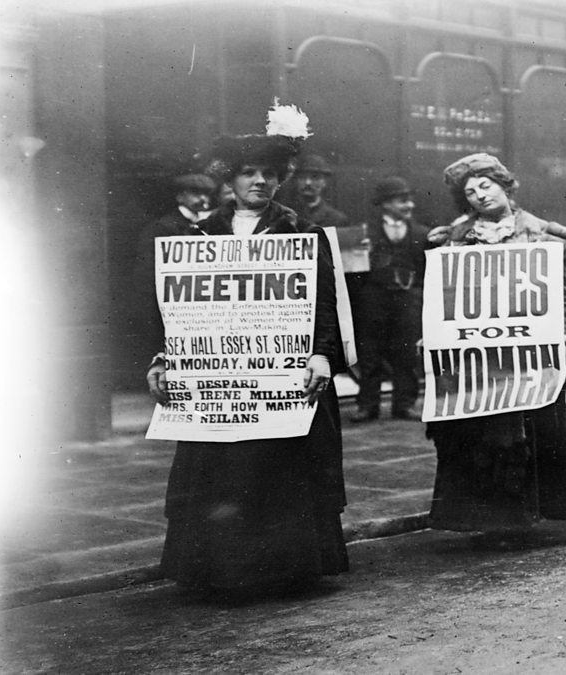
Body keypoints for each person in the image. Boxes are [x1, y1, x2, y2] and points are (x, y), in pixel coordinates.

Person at [144, 103, 349, 593]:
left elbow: (325, 303)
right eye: (248, 172)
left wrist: (321, 354)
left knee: (279, 468)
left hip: (281, 375)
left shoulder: (301, 234)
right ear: (229, 181)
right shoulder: (198, 236)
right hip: (222, 378)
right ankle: (218, 568)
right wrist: (163, 358)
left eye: (269, 174)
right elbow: (176, 310)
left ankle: (283, 569)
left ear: (281, 180)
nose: (258, 181)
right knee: (222, 471)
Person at [424, 152, 566, 535]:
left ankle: (531, 514)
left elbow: (564, 294)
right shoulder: (454, 240)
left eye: (486, 186)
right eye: (471, 192)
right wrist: (433, 331)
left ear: (505, 186)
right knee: (480, 432)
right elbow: (444, 294)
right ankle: (490, 518)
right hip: (478, 355)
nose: (480, 196)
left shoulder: (544, 237)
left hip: (531, 354)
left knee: (535, 430)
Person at [349, 177, 430, 422]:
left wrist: (417, 295)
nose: (409, 205)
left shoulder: (421, 233)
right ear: (385, 204)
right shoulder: (365, 233)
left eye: (410, 199)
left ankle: (404, 405)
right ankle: (368, 405)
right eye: (402, 200)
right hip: (374, 298)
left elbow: (426, 270)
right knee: (370, 352)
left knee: (407, 353)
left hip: (408, 298)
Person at [130, 173, 214, 369]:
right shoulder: (162, 228)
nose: (203, 199)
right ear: (180, 197)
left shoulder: (212, 225)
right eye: (195, 193)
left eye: (207, 194)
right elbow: (146, 277)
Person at [285, 153, 349, 230]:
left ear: (324, 182)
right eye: (302, 177)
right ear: (295, 181)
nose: (308, 183)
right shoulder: (283, 215)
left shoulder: (337, 220)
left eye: (315, 177)